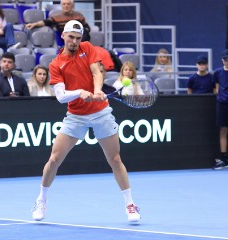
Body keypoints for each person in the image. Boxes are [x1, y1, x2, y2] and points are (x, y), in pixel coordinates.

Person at [31, 20, 141, 223]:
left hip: (100, 112)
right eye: (71, 37)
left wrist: (98, 89)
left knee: (115, 160)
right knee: (54, 159)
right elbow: (60, 96)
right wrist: (80, 93)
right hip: (75, 116)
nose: (74, 41)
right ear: (63, 36)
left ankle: (130, 204)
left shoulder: (87, 48)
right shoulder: (56, 64)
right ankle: (41, 200)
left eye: (78, 38)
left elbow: (96, 72)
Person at [25, 0, 91, 44]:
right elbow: (46, 22)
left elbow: (86, 27)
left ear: (72, 6)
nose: (66, 6)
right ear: (61, 6)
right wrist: (34, 24)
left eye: (68, 4)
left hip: (80, 36)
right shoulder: (57, 16)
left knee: (84, 33)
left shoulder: (78, 15)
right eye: (64, 4)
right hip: (67, 38)